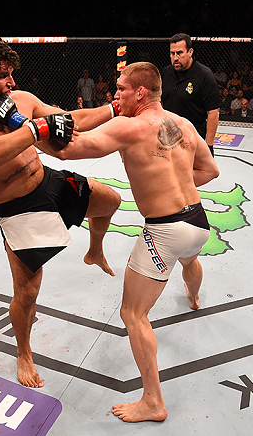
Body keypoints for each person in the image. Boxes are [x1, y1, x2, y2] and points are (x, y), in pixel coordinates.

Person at [0, 31, 122, 388]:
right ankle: (23, 352)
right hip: (17, 207)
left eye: (10, 73)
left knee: (109, 200)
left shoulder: (18, 98)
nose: (11, 82)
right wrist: (35, 129)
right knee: (28, 292)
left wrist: (114, 109)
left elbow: (69, 120)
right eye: (2, 75)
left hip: (47, 180)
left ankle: (94, 250)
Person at [42, 62, 220, 423]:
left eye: (121, 88)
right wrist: (174, 187)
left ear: (140, 92)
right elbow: (211, 170)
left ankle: (153, 401)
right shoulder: (184, 124)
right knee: (189, 262)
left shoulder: (129, 125)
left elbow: (65, 151)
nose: (115, 94)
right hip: (198, 221)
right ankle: (194, 298)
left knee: (133, 314)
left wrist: (26, 128)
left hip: (165, 230)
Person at [161, 33, 221, 155]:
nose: (175, 57)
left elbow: (213, 112)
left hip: (193, 137)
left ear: (190, 52)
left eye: (180, 53)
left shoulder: (204, 75)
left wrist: (209, 145)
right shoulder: (166, 72)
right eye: (172, 53)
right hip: (168, 137)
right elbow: (159, 103)